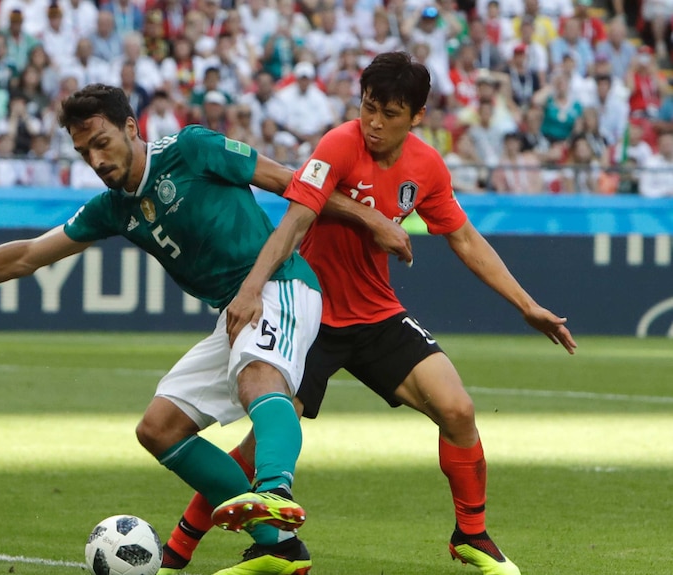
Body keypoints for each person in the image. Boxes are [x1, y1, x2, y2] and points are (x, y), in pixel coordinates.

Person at [0, 83, 382, 575]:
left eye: (102, 142)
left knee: (258, 377)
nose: (96, 159)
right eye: (84, 152)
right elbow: (26, 255)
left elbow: (290, 182)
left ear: (131, 128)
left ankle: (275, 490)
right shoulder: (113, 208)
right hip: (233, 312)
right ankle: (277, 545)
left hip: (280, 284)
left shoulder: (192, 149)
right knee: (159, 429)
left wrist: (371, 220)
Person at [158, 51, 577, 575]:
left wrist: (528, 306)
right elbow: (295, 218)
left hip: (376, 313)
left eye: (389, 114)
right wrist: (254, 288)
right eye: (368, 107)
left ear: (417, 116)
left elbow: (465, 239)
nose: (374, 123)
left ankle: (471, 536)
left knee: (458, 409)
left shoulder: (427, 167)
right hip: (309, 315)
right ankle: (181, 549)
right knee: (262, 441)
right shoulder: (337, 143)